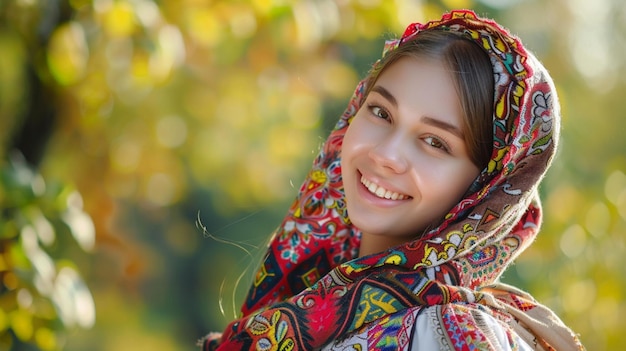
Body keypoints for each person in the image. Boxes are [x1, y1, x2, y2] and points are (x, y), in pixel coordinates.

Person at [199, 9, 585, 350]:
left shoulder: (452, 334)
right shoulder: (314, 300)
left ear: (487, 192)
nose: (385, 155)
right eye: (381, 113)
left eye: (435, 142)